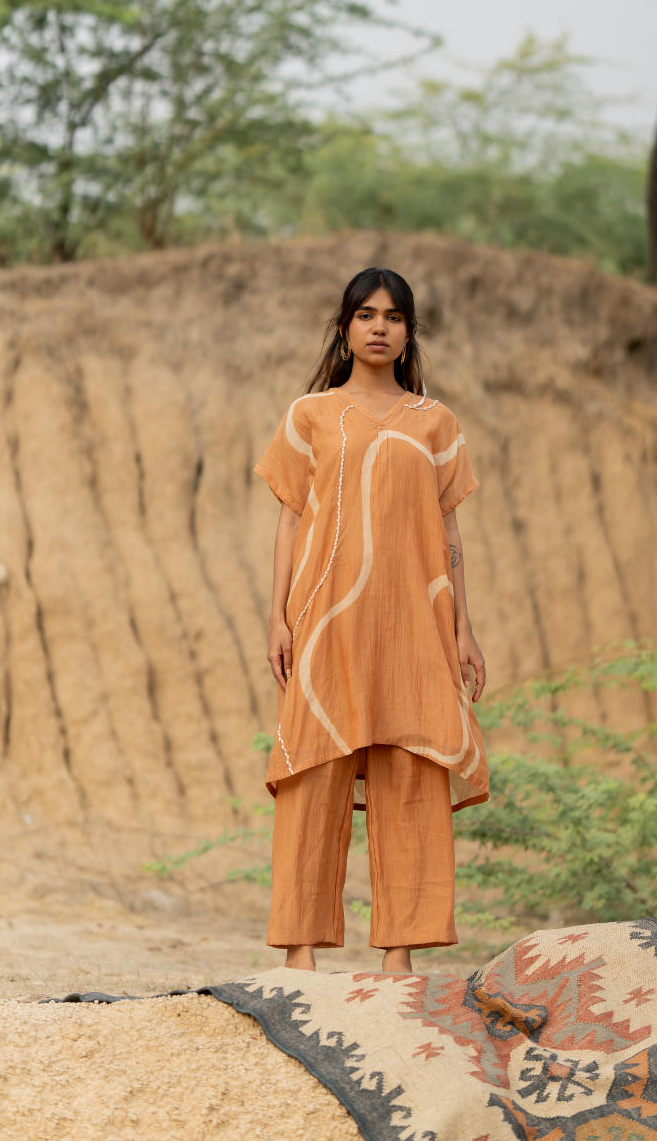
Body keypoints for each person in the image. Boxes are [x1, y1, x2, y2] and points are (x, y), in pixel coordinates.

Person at [254, 266, 488, 974]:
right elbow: (292, 521)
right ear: (345, 327)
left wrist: (464, 629)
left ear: (409, 331)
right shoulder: (311, 415)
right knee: (311, 769)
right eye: (366, 314)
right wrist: (278, 617)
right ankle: (299, 953)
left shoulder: (435, 423)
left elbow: (447, 534)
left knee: (411, 768)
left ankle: (399, 957)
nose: (380, 326)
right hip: (326, 618)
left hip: (416, 620)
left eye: (393, 316)